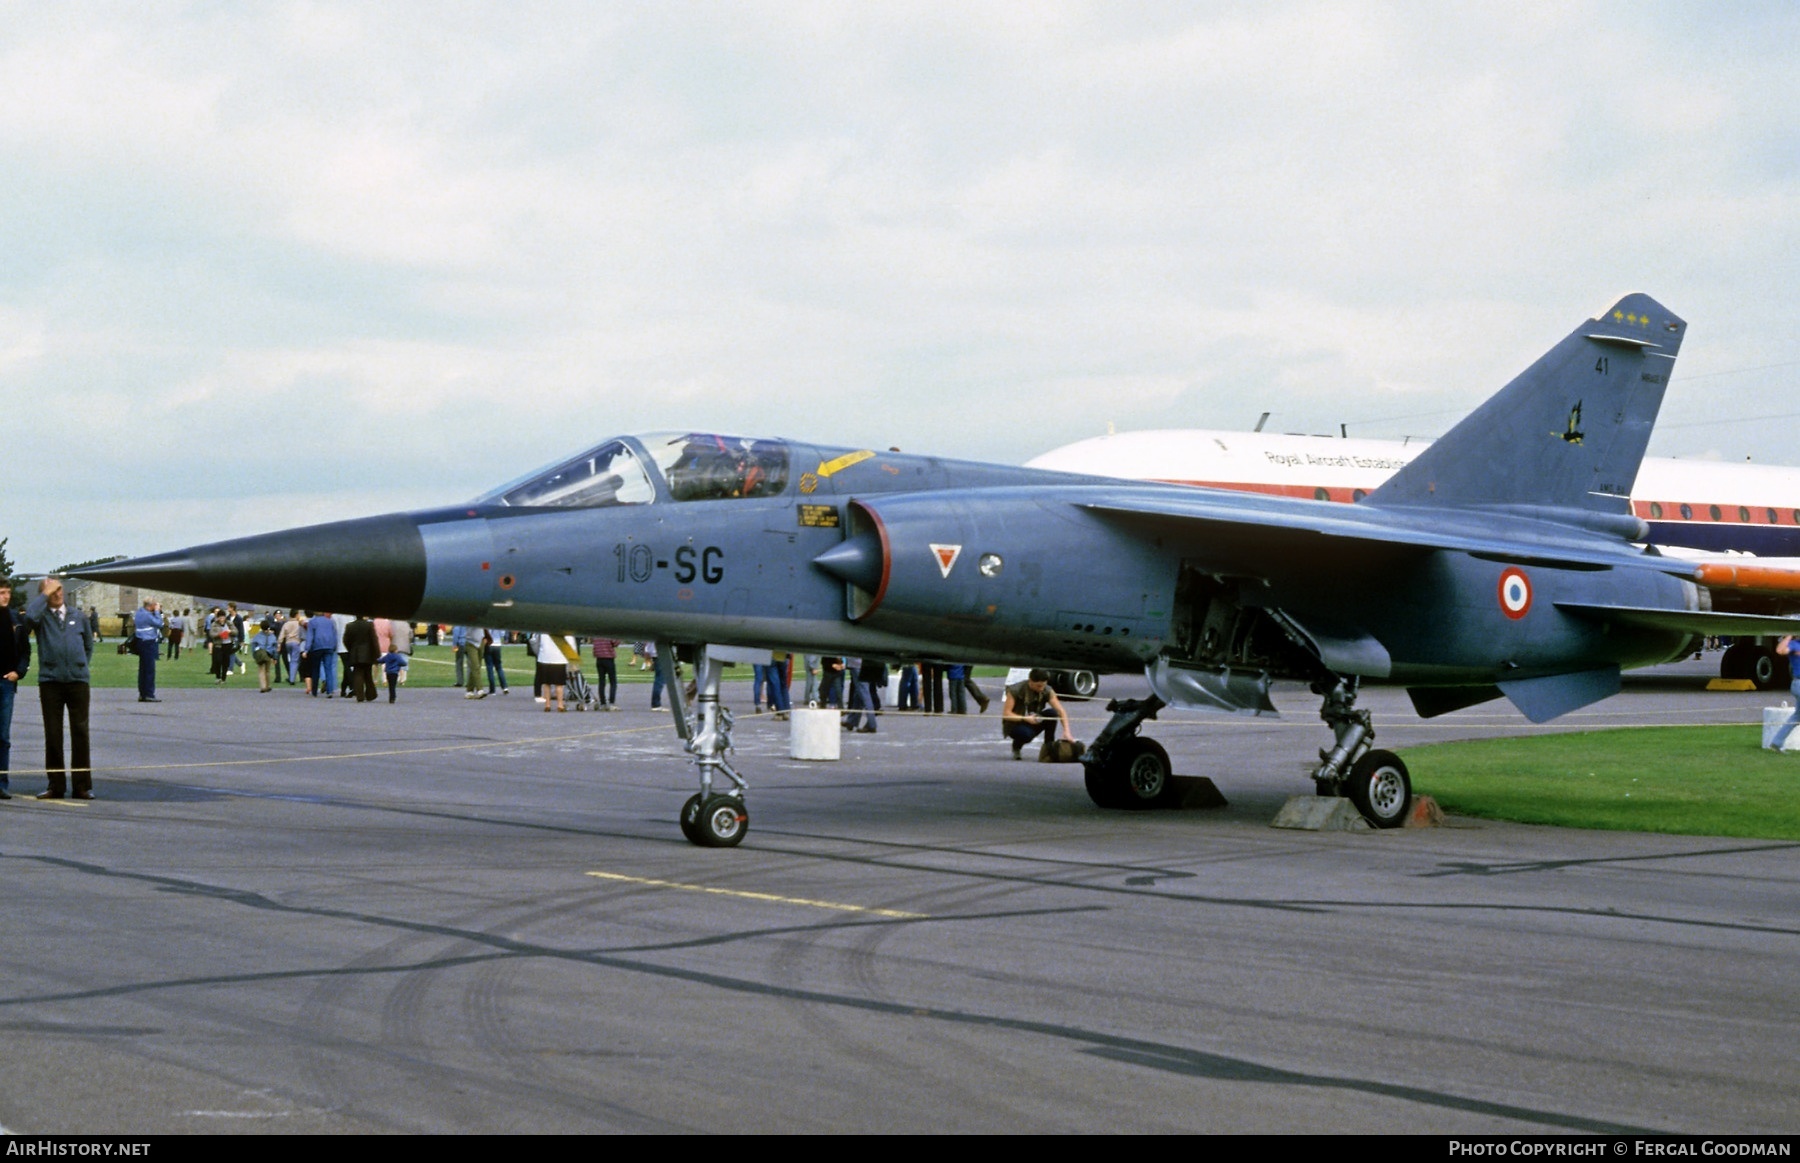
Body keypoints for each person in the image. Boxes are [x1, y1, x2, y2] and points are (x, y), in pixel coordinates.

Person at [20, 577, 96, 799]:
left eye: (59, 589)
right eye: (52, 591)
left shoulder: (78, 616)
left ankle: (82, 785)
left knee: (80, 733)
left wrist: (79, 665)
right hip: (50, 682)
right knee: (53, 734)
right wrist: (43, 596)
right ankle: (56, 785)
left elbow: (88, 646)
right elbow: (26, 622)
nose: (58, 593)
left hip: (77, 681)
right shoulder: (41, 617)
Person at [1001, 669, 1074, 760]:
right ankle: (1017, 746)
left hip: (1034, 719)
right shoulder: (1015, 690)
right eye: (1038, 686)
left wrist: (1066, 731)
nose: (1041, 689)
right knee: (1026, 734)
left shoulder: (1047, 690)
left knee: (1052, 713)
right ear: (1030, 681)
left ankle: (1048, 748)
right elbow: (1006, 714)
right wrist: (1024, 718)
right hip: (1015, 723)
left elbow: (1060, 710)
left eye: (1043, 685)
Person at [0, 583, 31, 800]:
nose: (6, 596)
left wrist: (18, 673)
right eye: (2, 592)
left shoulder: (15, 619)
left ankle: (2, 782)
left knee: (3, 736)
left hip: (6, 683)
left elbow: (26, 651)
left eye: (8, 592)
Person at [1769, 636, 1800, 750]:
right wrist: (1788, 636)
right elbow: (1780, 651)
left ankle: (1777, 743)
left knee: (1797, 717)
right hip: (1799, 683)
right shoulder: (1794, 644)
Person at [343, 614, 379, 702]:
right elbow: (374, 640)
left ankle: (360, 695)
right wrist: (377, 653)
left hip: (355, 652)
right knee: (368, 674)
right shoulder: (369, 625)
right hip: (368, 653)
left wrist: (351, 649)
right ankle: (371, 694)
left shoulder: (349, 626)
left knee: (357, 673)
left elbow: (345, 640)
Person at [133, 598, 163, 702]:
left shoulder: (139, 613)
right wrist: (157, 612)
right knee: (149, 669)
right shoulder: (148, 615)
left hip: (140, 641)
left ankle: (142, 693)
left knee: (143, 669)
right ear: (151, 606)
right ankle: (149, 694)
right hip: (148, 642)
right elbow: (159, 624)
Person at [536, 632, 574, 712]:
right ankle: (560, 705)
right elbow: (570, 643)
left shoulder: (544, 631)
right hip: (559, 659)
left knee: (546, 683)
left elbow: (537, 642)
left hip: (545, 658)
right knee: (559, 684)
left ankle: (547, 704)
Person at [305, 610, 339, 697]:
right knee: (328, 669)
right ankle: (330, 690)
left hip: (317, 646)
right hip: (329, 646)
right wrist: (334, 646)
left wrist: (307, 649)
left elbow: (310, 636)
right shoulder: (330, 621)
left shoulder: (312, 622)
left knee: (315, 669)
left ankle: (315, 690)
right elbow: (334, 634)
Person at [250, 620, 279, 693]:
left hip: (260, 653)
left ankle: (263, 686)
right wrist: (275, 657)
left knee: (261, 670)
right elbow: (275, 648)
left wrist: (254, 655)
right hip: (269, 654)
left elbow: (253, 646)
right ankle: (267, 685)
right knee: (267, 670)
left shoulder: (257, 636)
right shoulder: (272, 636)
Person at [591, 637, 620, 710]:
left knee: (601, 681)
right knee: (613, 681)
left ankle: (602, 703)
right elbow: (615, 643)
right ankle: (611, 703)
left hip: (599, 658)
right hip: (609, 658)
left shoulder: (596, 635)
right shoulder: (608, 634)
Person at [484, 627, 510, 695]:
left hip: (489, 644)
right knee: (499, 667)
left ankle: (492, 689)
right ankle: (504, 686)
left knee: (490, 668)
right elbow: (502, 634)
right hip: (497, 644)